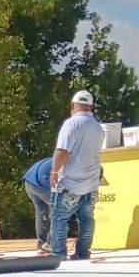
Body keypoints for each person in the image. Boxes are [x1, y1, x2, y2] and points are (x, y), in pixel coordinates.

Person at [48, 89, 104, 261]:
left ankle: (58, 253)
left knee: (59, 218)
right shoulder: (98, 128)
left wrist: (54, 170)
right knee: (87, 220)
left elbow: (63, 150)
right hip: (91, 184)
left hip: (69, 184)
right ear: (91, 107)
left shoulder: (71, 124)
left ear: (72, 105)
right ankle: (82, 252)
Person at [23, 155, 55, 252]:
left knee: (41, 212)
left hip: (29, 180)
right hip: (41, 181)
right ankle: (50, 243)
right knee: (59, 211)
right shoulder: (69, 162)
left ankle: (42, 243)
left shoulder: (56, 158)